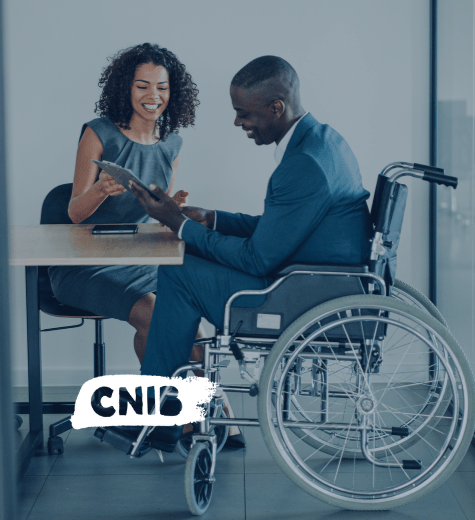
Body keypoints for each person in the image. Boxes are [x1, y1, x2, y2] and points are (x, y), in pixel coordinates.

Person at [129, 55, 372, 447]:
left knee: (178, 271)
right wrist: (212, 219)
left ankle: (163, 415)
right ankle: (166, 413)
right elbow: (285, 228)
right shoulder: (324, 141)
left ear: (276, 107)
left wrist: (180, 225)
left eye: (244, 113)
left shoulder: (304, 164)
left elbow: (258, 258)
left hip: (299, 296)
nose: (239, 123)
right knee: (187, 259)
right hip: (315, 279)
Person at [48, 43, 197, 364]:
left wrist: (172, 208)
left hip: (140, 259)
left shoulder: (173, 143)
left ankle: (198, 409)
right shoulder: (98, 133)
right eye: (142, 86)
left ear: (174, 92)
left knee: (194, 327)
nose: (152, 95)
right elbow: (74, 213)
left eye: (162, 87)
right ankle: (168, 409)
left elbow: (156, 224)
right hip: (85, 265)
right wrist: (101, 189)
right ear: (125, 89)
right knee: (155, 315)